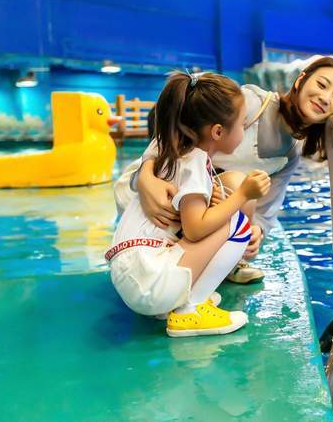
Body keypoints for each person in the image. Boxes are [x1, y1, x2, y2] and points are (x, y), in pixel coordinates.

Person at [115, 57, 333, 283]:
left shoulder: (291, 152)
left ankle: (207, 267)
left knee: (241, 188)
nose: (325, 97)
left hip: (198, 202)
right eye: (322, 84)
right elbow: (178, 130)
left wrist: (257, 231)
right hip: (165, 184)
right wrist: (146, 178)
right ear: (301, 79)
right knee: (236, 183)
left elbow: (266, 210)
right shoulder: (253, 103)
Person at [106, 72, 270, 337]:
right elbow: (195, 230)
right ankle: (190, 310)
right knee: (237, 224)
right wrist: (242, 195)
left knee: (223, 215)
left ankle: (179, 300)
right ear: (218, 131)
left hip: (134, 276)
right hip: (149, 282)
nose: (244, 129)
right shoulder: (194, 163)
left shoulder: (172, 153)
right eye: (242, 123)